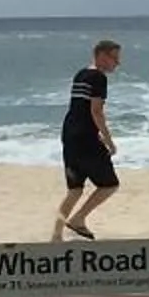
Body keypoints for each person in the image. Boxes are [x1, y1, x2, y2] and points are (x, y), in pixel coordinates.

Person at [55, 39, 123, 239]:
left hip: (69, 135)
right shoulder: (98, 78)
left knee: (74, 190)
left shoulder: (81, 74)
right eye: (114, 58)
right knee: (110, 184)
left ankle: (55, 236)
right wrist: (108, 140)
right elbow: (96, 111)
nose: (117, 64)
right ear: (101, 55)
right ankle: (78, 219)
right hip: (86, 139)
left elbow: (80, 109)